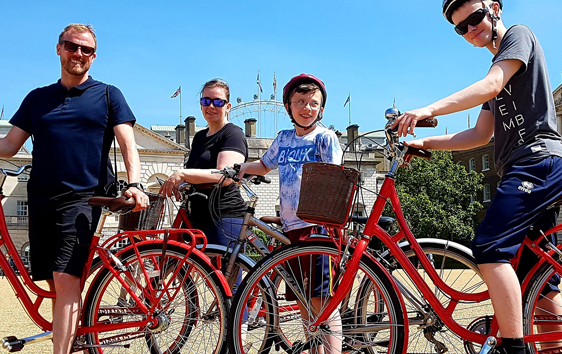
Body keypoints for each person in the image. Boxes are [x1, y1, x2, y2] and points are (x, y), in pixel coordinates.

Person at [393, 1, 562, 354]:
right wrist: (421, 141)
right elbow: (478, 135)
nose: (470, 29)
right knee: (538, 277)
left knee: (490, 248)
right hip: (529, 167)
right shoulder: (499, 68)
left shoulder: (518, 37)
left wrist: (428, 109)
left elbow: (492, 84)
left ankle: (512, 345)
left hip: (537, 161)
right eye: (461, 28)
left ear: (493, 8)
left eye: (474, 18)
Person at [0, 24, 148, 354]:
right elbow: (10, 146)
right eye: (72, 46)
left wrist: (136, 182)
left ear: (94, 57)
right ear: (59, 49)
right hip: (41, 199)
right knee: (56, 283)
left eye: (86, 50)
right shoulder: (37, 98)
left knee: (66, 280)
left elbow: (128, 144)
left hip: (83, 198)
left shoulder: (108, 94)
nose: (78, 54)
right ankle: (72, 342)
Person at [238, 74, 343, 354]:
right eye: (300, 102)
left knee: (322, 302)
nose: (306, 108)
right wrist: (240, 168)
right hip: (292, 228)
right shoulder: (284, 138)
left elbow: (334, 178)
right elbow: (264, 164)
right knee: (303, 302)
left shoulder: (325, 137)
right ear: (288, 106)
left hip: (318, 227)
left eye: (313, 103)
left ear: (321, 109)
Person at [160, 79, 248, 283]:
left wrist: (183, 174)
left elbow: (223, 176)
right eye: (206, 101)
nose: (211, 106)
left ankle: (242, 315)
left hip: (223, 215)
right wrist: (181, 185)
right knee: (211, 282)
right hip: (198, 214)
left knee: (228, 285)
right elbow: (198, 174)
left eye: (217, 102)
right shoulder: (199, 137)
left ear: (228, 106)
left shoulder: (232, 134)